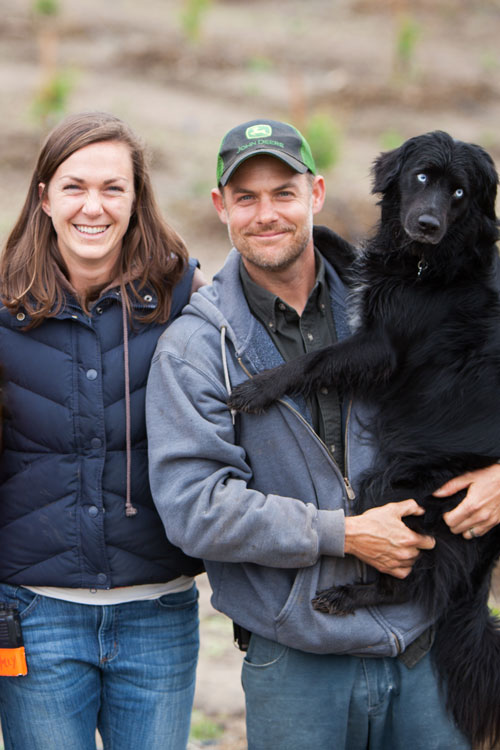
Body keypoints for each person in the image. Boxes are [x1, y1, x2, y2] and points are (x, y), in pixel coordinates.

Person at [146, 118, 500, 750]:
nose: (266, 214)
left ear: (315, 194)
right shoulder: (196, 348)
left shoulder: (399, 290)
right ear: (220, 206)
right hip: (298, 660)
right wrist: (343, 534)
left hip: (428, 646)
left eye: (283, 192)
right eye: (247, 197)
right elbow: (196, 510)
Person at [0, 111, 206, 750]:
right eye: (74, 187)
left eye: (113, 188)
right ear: (44, 199)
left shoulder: (186, 297)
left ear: (137, 199)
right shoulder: (3, 308)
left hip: (160, 615)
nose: (94, 206)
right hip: (35, 617)